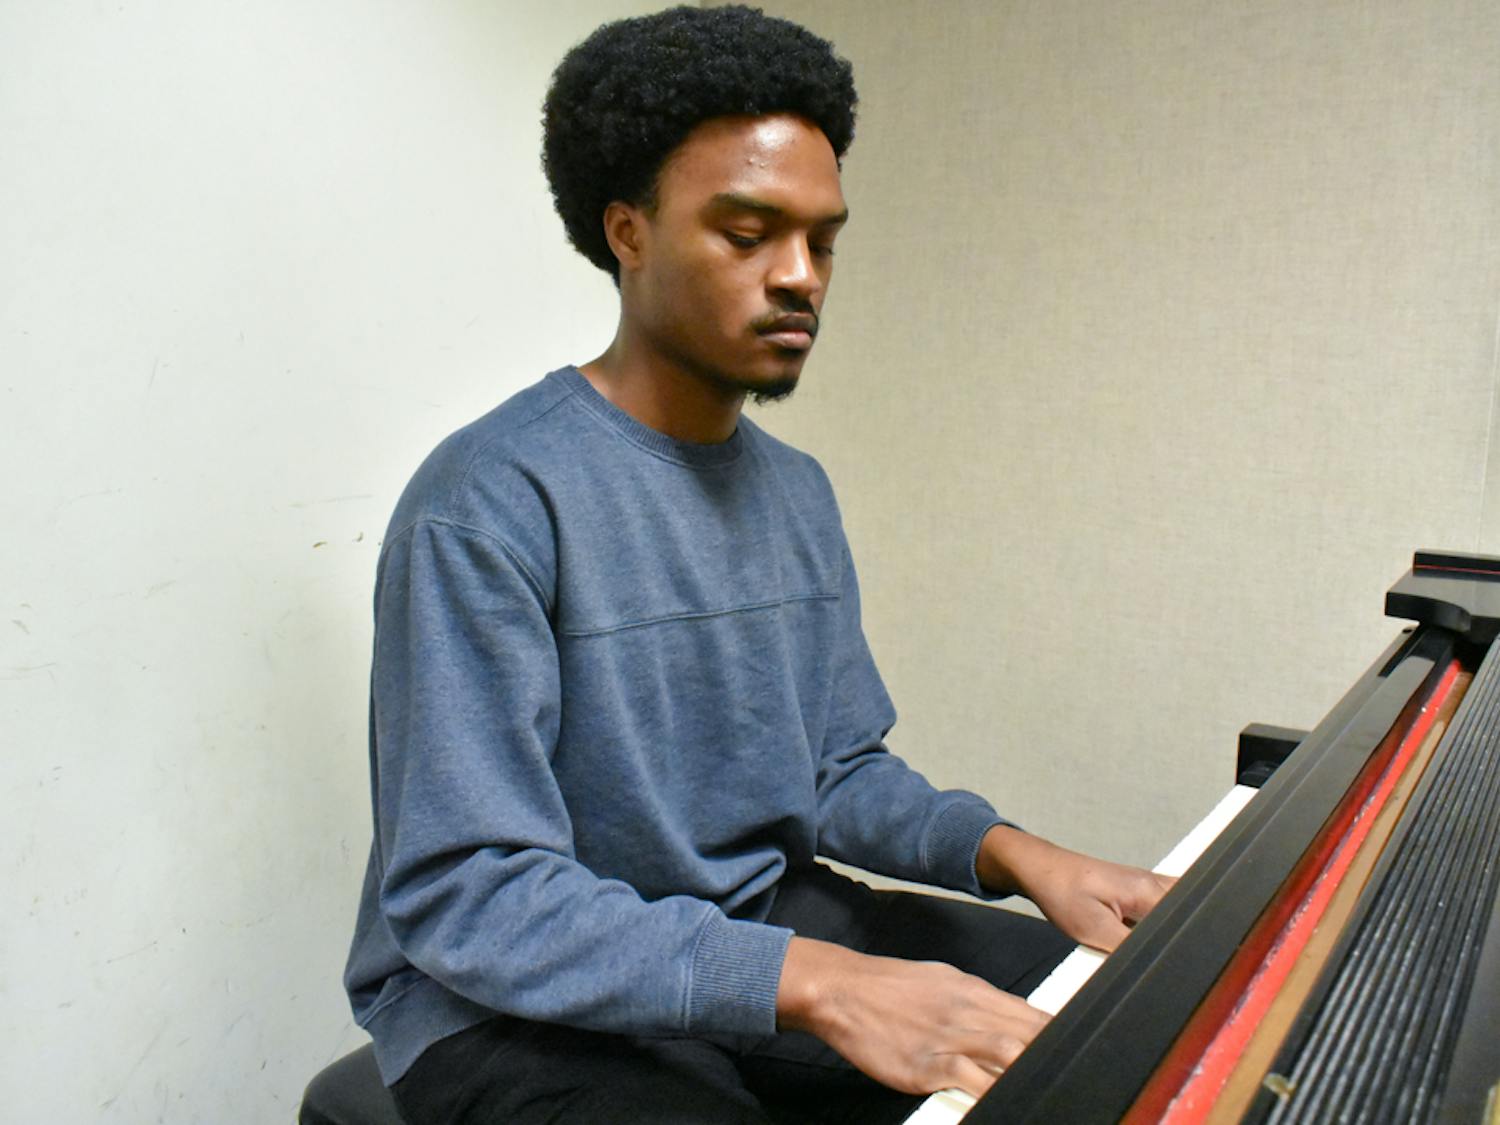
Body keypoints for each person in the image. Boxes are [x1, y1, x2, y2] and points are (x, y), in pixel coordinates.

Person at [343, 7, 1172, 1123]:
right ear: (626, 232)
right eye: (748, 234)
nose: (801, 278)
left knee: (1112, 1032)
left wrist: (1020, 856)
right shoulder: (487, 502)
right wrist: (826, 987)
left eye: (822, 240)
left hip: (755, 921)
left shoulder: (796, 493)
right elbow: (470, 898)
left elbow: (833, 771)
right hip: (505, 1008)